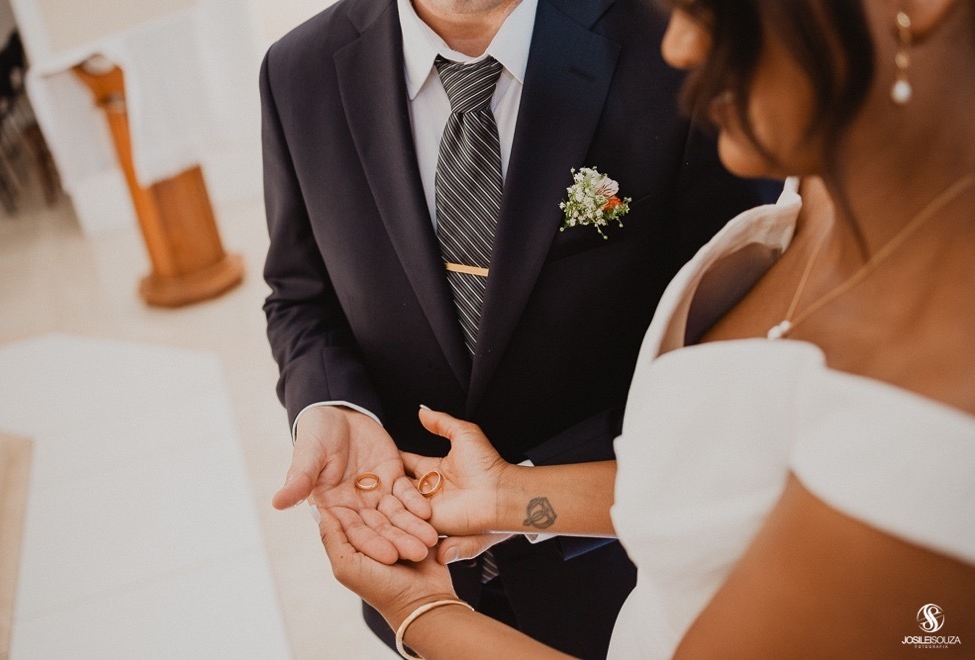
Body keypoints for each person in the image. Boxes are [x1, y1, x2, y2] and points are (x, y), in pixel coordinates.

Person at [315, 0, 975, 657]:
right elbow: (722, 482)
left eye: (710, 8)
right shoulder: (827, 195)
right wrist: (508, 497)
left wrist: (421, 612)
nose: (680, 46)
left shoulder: (937, 414)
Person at [260, 0, 773, 656]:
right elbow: (300, 296)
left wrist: (525, 491)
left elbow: (733, 343)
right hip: (406, 543)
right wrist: (332, 403)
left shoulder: (677, 42)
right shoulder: (297, 70)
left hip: (620, 564)